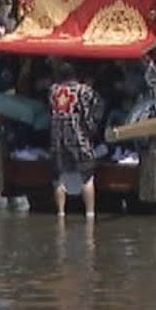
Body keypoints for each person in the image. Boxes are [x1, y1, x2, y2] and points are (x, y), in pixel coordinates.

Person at [48, 61, 103, 219]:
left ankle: (61, 213)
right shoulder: (84, 90)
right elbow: (93, 112)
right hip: (78, 140)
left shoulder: (53, 91)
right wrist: (93, 131)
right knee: (87, 177)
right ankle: (90, 213)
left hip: (57, 140)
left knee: (59, 178)